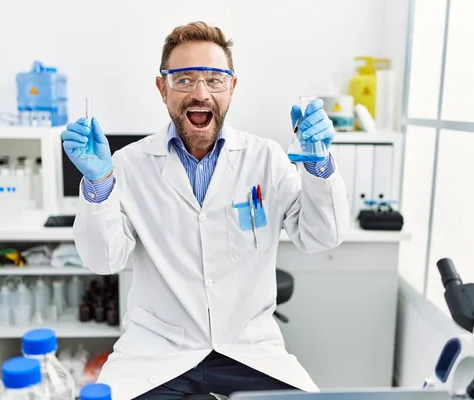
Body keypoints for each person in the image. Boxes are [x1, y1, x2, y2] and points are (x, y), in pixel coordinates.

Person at [61, 21, 350, 399]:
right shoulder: (129, 164)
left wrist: (319, 165)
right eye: (183, 80)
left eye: (214, 79)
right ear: (162, 88)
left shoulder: (265, 159)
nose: (200, 93)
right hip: (157, 354)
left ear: (232, 87)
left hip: (247, 351)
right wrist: (99, 183)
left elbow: (321, 236)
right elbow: (102, 259)